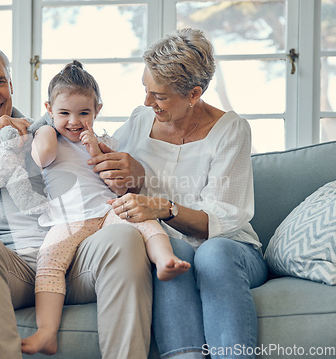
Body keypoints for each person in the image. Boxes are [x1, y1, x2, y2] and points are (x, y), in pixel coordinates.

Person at [0, 43, 153, 359]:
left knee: (123, 236)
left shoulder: (52, 129)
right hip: (7, 269)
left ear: (11, 84)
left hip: (69, 258)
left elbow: (108, 171)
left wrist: (135, 173)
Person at [89, 28, 268, 359]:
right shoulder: (140, 120)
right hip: (172, 249)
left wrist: (162, 207)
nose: (147, 102)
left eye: (159, 95)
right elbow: (107, 177)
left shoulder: (232, 130)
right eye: (146, 90)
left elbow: (220, 221)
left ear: (194, 94)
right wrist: (125, 171)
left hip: (233, 251)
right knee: (171, 252)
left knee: (212, 254)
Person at [21, 60, 190, 355]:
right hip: (68, 220)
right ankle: (47, 332)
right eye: (64, 113)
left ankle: (164, 260)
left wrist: (95, 148)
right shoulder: (48, 137)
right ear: (48, 109)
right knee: (48, 263)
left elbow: (120, 187)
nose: (73, 121)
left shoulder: (106, 141)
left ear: (97, 110)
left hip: (106, 210)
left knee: (140, 214)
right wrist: (47, 129)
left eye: (83, 113)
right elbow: (42, 157)